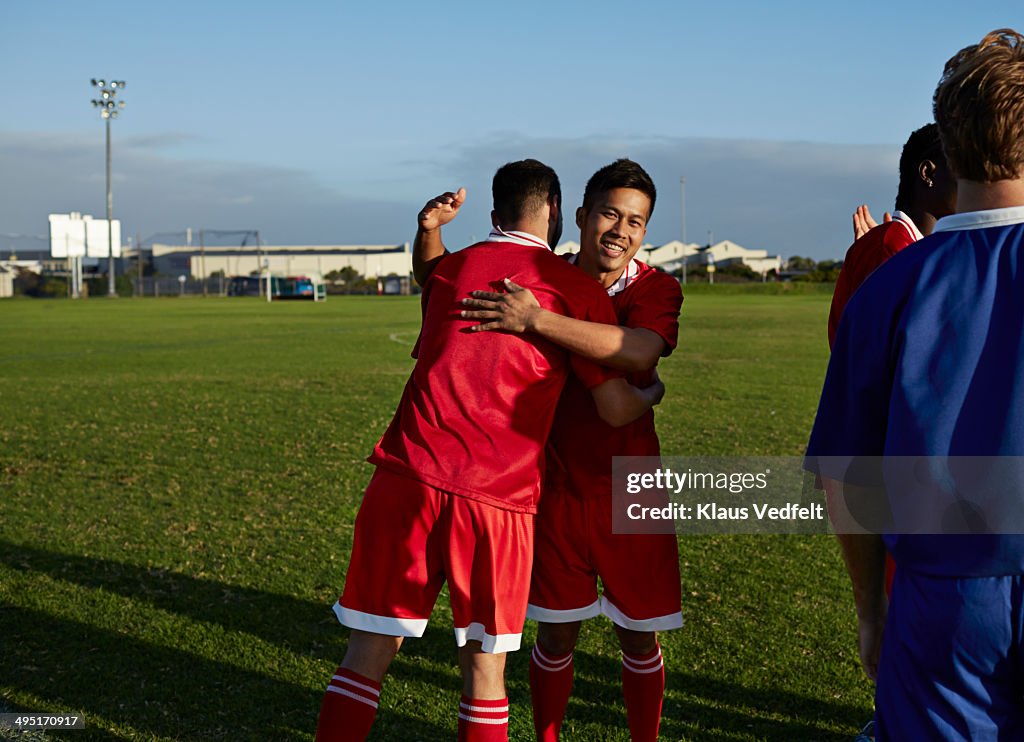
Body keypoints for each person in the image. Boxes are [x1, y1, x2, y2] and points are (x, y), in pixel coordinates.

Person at [315, 159, 665, 742]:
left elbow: (430, 272)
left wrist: (430, 232)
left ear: (495, 214)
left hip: (407, 475)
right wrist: (653, 389)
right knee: (484, 672)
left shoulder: (452, 270)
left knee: (365, 658)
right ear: (557, 213)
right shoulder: (574, 289)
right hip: (497, 498)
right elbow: (614, 404)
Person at [806, 29, 1024, 741]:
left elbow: (848, 475)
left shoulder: (889, 288)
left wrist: (872, 611)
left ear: (949, 147)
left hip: (943, 598)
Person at [417, 159, 683, 741]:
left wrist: (537, 321)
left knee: (640, 634)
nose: (620, 230)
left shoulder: (656, 287)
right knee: (556, 632)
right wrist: (430, 235)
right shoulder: (538, 274)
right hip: (552, 487)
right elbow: (445, 281)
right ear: (581, 216)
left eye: (636, 222)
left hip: (630, 490)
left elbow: (639, 351)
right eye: (610, 213)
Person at [828, 123, 957, 347]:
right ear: (928, 173)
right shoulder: (888, 248)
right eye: (963, 169)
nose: (975, 183)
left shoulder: (900, 246)